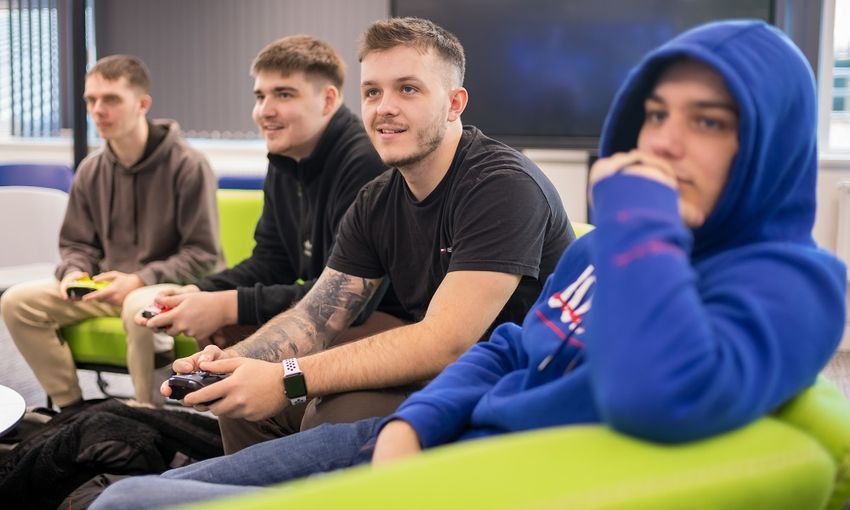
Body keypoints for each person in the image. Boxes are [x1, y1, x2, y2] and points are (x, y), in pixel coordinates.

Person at [91, 19, 846, 509]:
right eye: (655, 115)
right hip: (437, 428)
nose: (667, 141)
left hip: (487, 470)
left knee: (130, 504)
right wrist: (256, 368)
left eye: (708, 121)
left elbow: (658, 392)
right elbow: (496, 348)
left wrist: (639, 224)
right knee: (136, 491)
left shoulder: (796, 283)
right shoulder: (592, 251)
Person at [156, 16, 572, 455]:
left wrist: (288, 377)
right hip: (442, 379)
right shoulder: (377, 198)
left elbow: (443, 343)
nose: (384, 107)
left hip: (512, 388)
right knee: (242, 401)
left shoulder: (500, 185)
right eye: (373, 91)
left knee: (328, 410)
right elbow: (315, 317)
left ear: (454, 104)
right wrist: (235, 362)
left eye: (407, 89)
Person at [134, 35, 389, 418]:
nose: (264, 111)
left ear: (329, 100)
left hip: (376, 323)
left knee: (231, 339)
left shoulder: (366, 162)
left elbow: (336, 299)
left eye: (284, 95)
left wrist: (226, 306)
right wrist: (200, 291)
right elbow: (271, 261)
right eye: (260, 96)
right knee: (223, 340)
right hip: (324, 315)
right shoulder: (285, 157)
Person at [0, 55, 221, 407]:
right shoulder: (91, 170)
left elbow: (203, 255)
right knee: (16, 302)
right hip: (105, 286)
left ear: (142, 104)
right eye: (91, 100)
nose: (97, 110)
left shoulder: (188, 165)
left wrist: (138, 279)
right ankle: (71, 410)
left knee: (138, 306)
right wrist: (74, 272)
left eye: (111, 99)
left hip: (167, 288)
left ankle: (149, 416)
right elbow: (76, 243)